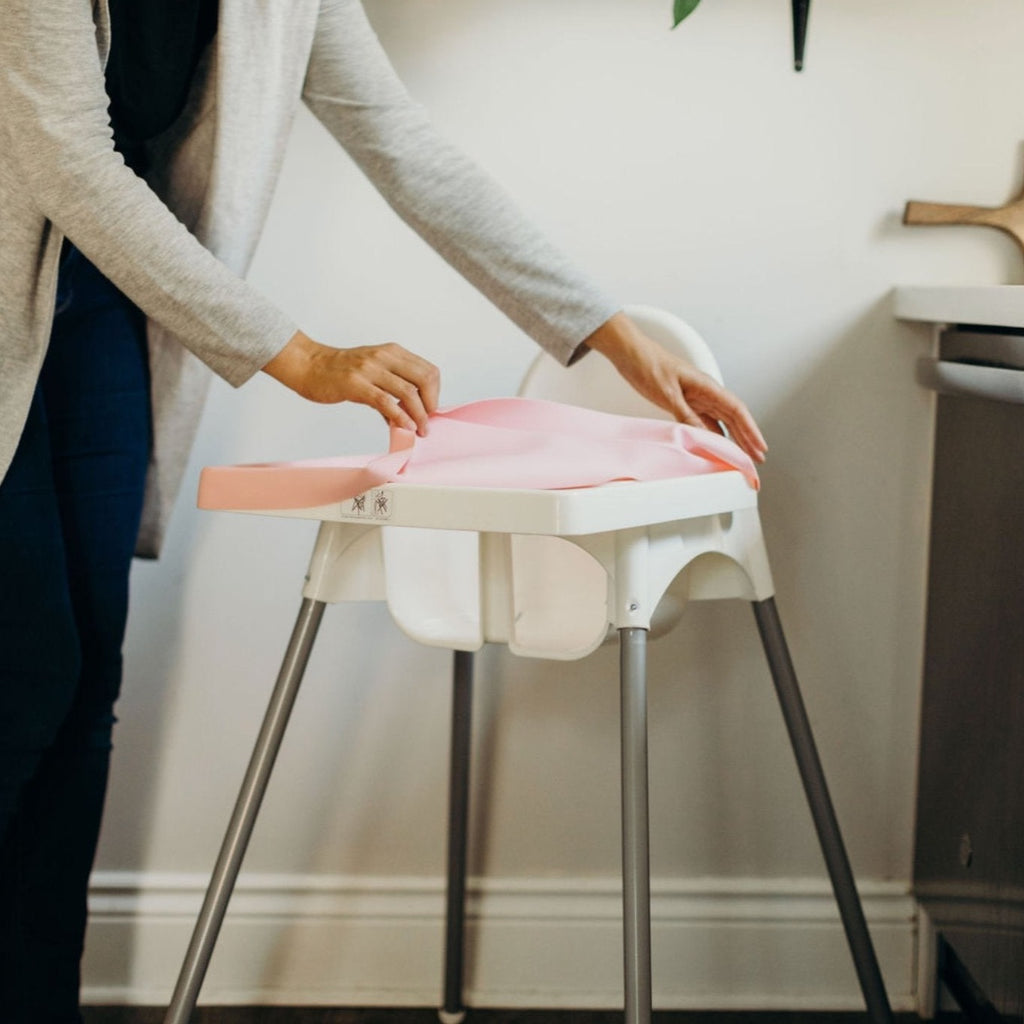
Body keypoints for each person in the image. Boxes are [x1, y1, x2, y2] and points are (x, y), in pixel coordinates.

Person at [0, 1, 767, 1020]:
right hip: (29, 243)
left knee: (86, 670)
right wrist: (302, 355)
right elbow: (66, 159)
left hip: (106, 293)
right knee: (27, 665)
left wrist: (613, 335)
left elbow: (400, 141)